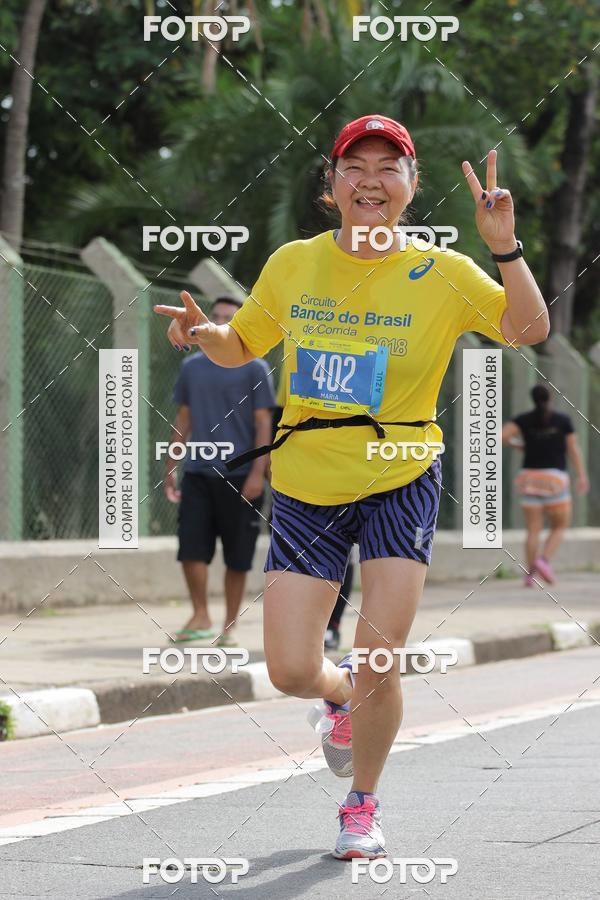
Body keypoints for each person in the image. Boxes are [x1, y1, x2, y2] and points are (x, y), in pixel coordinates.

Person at [154, 114, 549, 859]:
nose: (371, 179)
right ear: (331, 186)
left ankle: (361, 805)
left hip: (402, 475)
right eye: (354, 166)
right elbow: (244, 344)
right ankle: (337, 700)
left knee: (378, 655)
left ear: (410, 186)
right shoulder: (295, 263)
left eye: (388, 167)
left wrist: (504, 247)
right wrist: (200, 336)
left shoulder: (443, 271)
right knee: (292, 670)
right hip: (307, 481)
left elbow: (528, 328)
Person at [163, 295, 275, 645]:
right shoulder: (192, 367)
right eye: (216, 316)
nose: (220, 321)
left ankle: (229, 626)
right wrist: (171, 464)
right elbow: (184, 419)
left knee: (237, 554)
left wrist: (259, 473)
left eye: (229, 318)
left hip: (242, 476)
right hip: (197, 472)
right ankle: (200, 615)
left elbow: (263, 425)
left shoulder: (255, 367)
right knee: (191, 547)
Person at [502, 384, 589, 586]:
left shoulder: (523, 420)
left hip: (529, 478)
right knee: (560, 526)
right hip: (554, 479)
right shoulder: (562, 420)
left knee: (533, 529)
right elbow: (573, 450)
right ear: (550, 398)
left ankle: (529, 575)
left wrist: (518, 445)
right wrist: (582, 475)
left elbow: (502, 436)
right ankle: (543, 560)